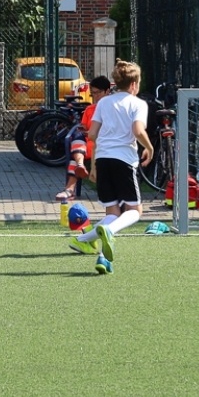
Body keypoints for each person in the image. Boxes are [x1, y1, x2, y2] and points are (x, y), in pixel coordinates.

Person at [68, 61, 153, 274]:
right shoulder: (138, 104)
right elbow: (137, 130)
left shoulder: (104, 103)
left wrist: (94, 165)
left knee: (113, 211)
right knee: (135, 211)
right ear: (134, 84)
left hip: (103, 160)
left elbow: (93, 134)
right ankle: (108, 231)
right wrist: (149, 147)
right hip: (124, 160)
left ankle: (90, 247)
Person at [56, 75, 111, 204]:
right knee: (76, 135)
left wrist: (90, 133)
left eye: (98, 93)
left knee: (74, 154)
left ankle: (70, 189)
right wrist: (83, 130)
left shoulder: (113, 109)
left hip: (103, 146)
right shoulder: (90, 109)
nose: (95, 96)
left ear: (107, 91)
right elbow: (84, 127)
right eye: (93, 94)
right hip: (86, 146)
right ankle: (79, 166)